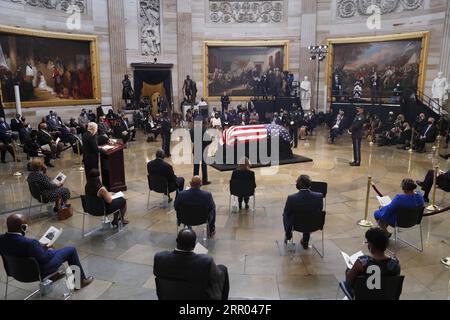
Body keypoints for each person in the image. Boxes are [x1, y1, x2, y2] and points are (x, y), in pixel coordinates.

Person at [0, 213, 94, 288]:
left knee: (48, 252)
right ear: (23, 228)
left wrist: (40, 248)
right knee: (71, 250)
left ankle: (55, 276)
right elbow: (44, 259)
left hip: (15, 272)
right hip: (39, 272)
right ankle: (80, 281)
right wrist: (48, 249)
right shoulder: (30, 243)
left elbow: (17, 249)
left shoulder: (1, 239)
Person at [153, 228, 229, 300]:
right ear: (194, 245)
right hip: (198, 296)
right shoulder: (205, 262)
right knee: (223, 269)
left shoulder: (159, 258)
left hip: (167, 296)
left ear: (177, 241)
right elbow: (217, 277)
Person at [344, 228, 401, 298]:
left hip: (365, 297)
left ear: (370, 245)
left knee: (348, 271)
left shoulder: (362, 262)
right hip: (385, 297)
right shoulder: (395, 263)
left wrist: (348, 271)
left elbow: (348, 281)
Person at [283, 175, 323, 248]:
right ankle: (305, 240)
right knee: (309, 214)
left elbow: (287, 213)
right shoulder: (319, 196)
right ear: (310, 185)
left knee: (286, 214)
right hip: (314, 225)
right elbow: (320, 210)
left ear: (297, 185)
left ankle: (289, 237)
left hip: (297, 226)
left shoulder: (291, 198)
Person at [190, 120, 211, 185]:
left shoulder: (192, 130)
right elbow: (208, 140)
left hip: (196, 149)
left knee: (196, 166)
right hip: (203, 150)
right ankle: (204, 181)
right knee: (204, 166)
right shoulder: (204, 130)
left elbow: (192, 140)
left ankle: (195, 181)